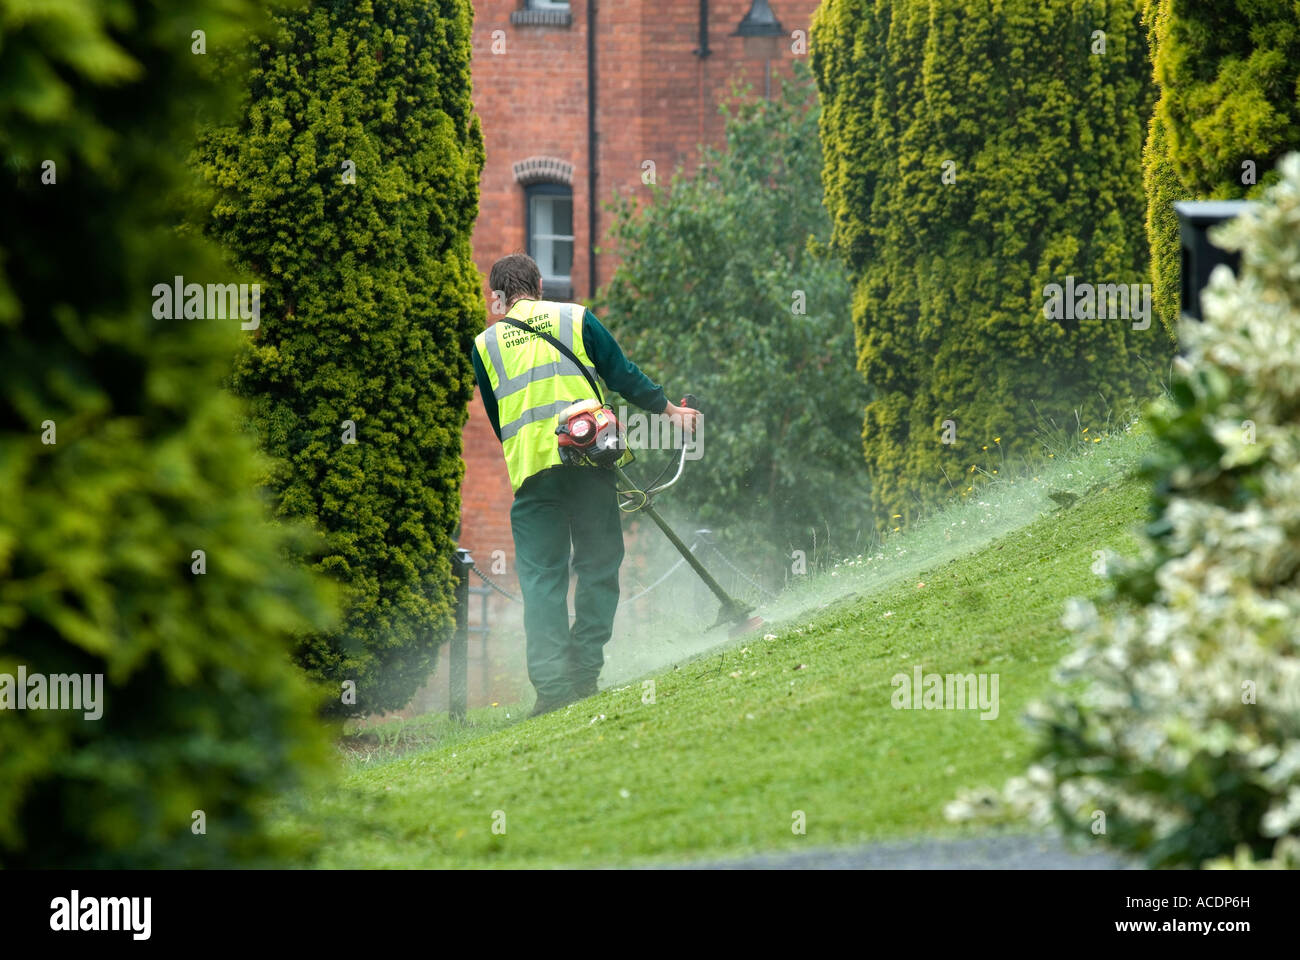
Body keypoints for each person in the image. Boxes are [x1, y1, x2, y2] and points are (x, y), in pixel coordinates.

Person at [471, 254, 701, 716]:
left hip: (533, 479)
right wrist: (671, 412)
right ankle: (584, 672)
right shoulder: (574, 317)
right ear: (537, 283)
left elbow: (500, 422)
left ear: (496, 296)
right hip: (588, 465)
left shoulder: (485, 345)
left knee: (541, 582)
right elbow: (621, 374)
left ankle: (553, 691)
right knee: (598, 566)